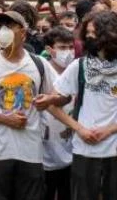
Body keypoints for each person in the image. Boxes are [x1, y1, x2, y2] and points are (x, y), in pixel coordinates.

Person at [0, 9, 55, 200]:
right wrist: (6, 120)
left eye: (10, 26)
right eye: (1, 27)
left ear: (23, 32)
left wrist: (49, 100)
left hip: (31, 153)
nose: (4, 31)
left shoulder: (39, 65)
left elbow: (58, 96)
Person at [48, 11, 117, 199]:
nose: (89, 37)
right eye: (87, 33)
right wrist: (79, 129)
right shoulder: (79, 66)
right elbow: (52, 104)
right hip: (84, 150)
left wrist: (109, 130)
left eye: (94, 33)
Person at [40, 26, 75, 200]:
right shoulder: (42, 70)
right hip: (45, 147)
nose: (68, 52)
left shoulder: (77, 69)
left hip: (72, 146)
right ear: (49, 50)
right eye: (62, 47)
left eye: (71, 47)